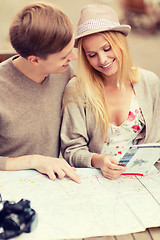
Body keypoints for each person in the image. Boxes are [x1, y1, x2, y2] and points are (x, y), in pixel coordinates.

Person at [61, 4, 160, 180]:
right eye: (92, 55)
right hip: (96, 182)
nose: (102, 60)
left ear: (120, 42)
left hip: (144, 181)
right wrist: (98, 160)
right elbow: (72, 150)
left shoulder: (149, 82)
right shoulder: (77, 89)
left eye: (107, 48)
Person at [0, 2, 81, 183]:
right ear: (34, 60)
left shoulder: (64, 73)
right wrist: (34, 160)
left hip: (50, 185)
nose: (73, 57)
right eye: (64, 55)